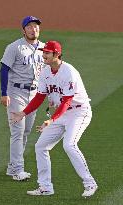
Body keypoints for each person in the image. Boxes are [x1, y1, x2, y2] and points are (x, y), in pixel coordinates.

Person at [10, 40, 98, 197]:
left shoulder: (69, 72)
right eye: (43, 52)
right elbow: (39, 97)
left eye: (47, 53)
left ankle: (90, 183)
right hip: (61, 114)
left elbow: (67, 101)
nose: (43, 55)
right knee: (41, 146)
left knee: (69, 145)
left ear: (57, 54)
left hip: (79, 112)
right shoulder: (45, 72)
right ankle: (45, 187)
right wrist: (23, 113)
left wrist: (51, 120)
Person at [0, 16, 44, 181]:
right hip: (16, 93)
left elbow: (46, 72)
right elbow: (4, 69)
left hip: (34, 94)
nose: (34, 29)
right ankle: (18, 170)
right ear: (23, 30)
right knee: (18, 131)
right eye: (30, 26)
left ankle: (13, 167)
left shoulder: (44, 48)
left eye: (36, 27)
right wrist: (4, 93)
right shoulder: (14, 47)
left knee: (26, 131)